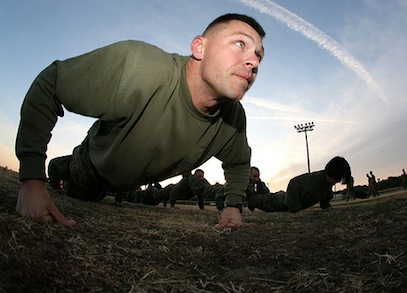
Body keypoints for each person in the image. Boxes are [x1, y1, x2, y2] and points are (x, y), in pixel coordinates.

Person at [15, 13, 266, 229]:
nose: (253, 61)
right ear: (199, 47)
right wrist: (32, 180)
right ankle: (64, 165)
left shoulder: (234, 119)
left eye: (258, 55)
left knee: (109, 196)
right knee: (79, 189)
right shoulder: (138, 66)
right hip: (92, 167)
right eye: (239, 43)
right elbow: (51, 85)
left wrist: (233, 206)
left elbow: (238, 162)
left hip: (126, 185)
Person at [246, 156, 351, 213]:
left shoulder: (328, 184)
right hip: (276, 202)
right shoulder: (315, 178)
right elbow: (294, 183)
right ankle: (250, 182)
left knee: (263, 193)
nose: (337, 182)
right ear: (334, 176)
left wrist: (326, 206)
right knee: (253, 198)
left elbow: (325, 197)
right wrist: (295, 208)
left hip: (279, 198)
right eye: (338, 179)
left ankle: (257, 182)